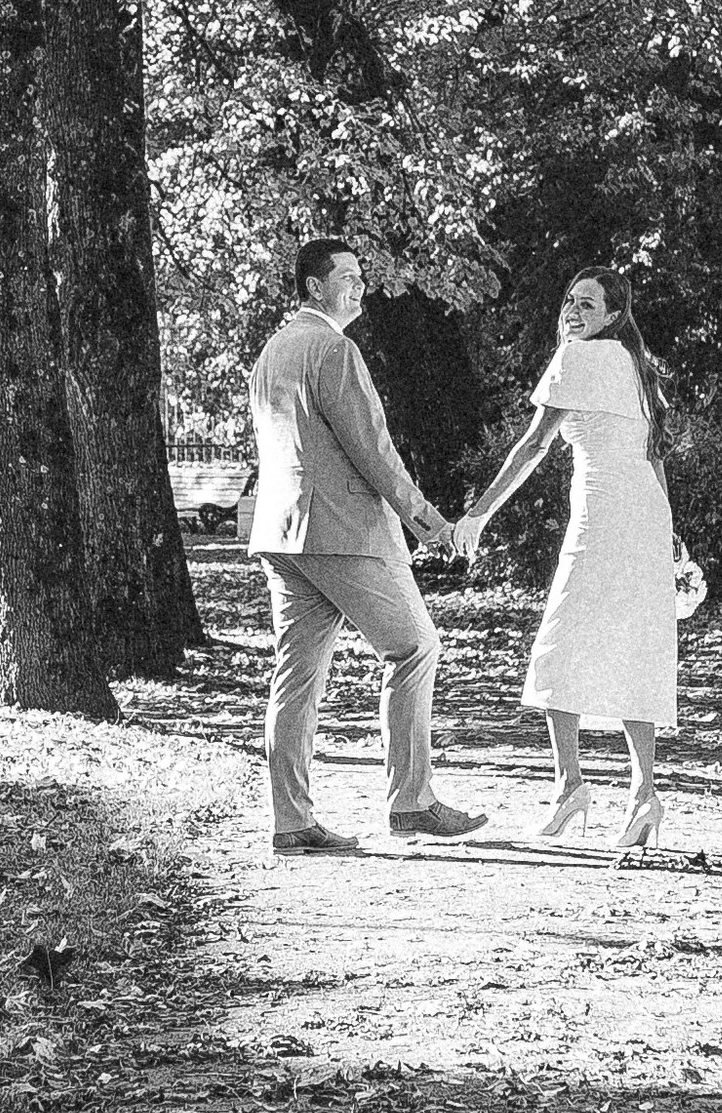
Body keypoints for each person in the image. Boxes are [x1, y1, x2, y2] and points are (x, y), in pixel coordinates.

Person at [246, 240, 487, 855]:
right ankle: (412, 802)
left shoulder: (272, 352)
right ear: (313, 287)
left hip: (282, 532)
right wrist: (428, 520)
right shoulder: (334, 349)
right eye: (347, 277)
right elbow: (372, 449)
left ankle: (291, 821)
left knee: (297, 674)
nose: (359, 287)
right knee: (415, 647)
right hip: (343, 532)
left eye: (361, 277)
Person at [454, 262, 679, 860]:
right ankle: (643, 792)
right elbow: (655, 457)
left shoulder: (577, 358)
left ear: (614, 315)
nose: (573, 313)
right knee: (635, 645)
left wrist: (478, 513)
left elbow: (533, 445)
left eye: (588, 304)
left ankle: (570, 785)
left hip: (603, 515)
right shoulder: (637, 365)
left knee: (558, 645)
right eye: (570, 301)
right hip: (646, 517)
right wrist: (671, 536)